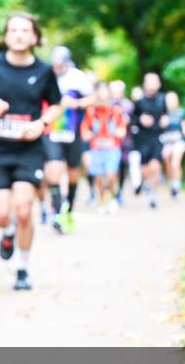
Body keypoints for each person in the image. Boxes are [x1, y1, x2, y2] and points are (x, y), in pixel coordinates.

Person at [0, 13, 62, 291]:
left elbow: (57, 105)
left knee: (23, 210)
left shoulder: (44, 71)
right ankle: (7, 232)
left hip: (28, 150)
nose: (19, 35)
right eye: (13, 30)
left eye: (25, 30)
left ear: (34, 37)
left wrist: (41, 123)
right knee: (0, 214)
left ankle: (22, 268)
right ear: (5, 36)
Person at [41, 45, 93, 234]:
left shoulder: (77, 77)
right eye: (54, 64)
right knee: (53, 171)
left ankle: (69, 209)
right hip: (51, 131)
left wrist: (77, 103)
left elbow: (91, 98)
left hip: (72, 131)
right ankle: (56, 211)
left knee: (72, 174)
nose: (57, 67)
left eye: (60, 64)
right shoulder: (45, 75)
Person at [80, 81, 127, 213]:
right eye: (99, 91)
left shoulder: (116, 110)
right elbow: (84, 129)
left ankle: (112, 199)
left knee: (111, 174)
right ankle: (101, 200)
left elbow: (122, 128)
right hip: (96, 148)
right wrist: (88, 134)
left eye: (104, 91)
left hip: (112, 148)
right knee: (99, 177)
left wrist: (119, 132)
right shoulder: (91, 111)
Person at [131, 72, 168, 209]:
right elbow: (133, 119)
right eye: (149, 82)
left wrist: (166, 119)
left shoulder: (163, 100)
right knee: (145, 169)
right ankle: (147, 185)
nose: (152, 85)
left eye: (154, 81)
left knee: (155, 165)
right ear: (145, 84)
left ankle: (153, 193)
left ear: (159, 84)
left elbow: (168, 114)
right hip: (142, 138)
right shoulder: (139, 102)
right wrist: (140, 120)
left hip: (157, 137)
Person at [108, 79, 134, 204]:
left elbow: (133, 121)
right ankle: (109, 193)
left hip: (124, 142)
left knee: (122, 167)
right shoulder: (107, 105)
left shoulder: (128, 105)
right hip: (108, 142)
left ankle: (119, 193)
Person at [160, 91, 185, 198]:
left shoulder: (181, 112)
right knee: (168, 166)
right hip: (167, 142)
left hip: (178, 142)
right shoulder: (163, 113)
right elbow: (159, 129)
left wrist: (184, 132)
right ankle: (171, 184)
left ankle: (177, 185)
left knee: (175, 164)